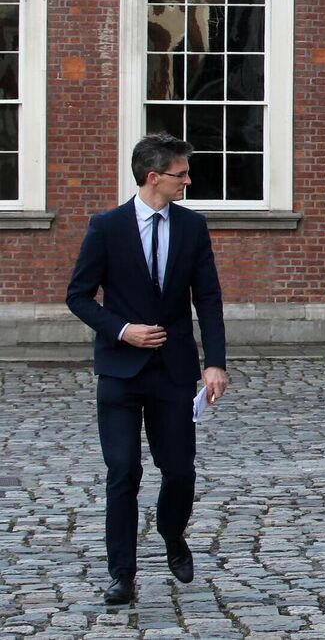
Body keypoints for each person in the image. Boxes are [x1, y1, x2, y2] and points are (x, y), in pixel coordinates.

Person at [65, 132, 228, 605]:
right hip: (119, 371)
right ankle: (122, 574)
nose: (188, 181)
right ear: (153, 177)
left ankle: (172, 534)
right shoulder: (107, 227)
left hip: (172, 370)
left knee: (179, 471)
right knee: (123, 471)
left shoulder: (192, 227)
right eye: (181, 174)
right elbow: (78, 296)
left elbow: (208, 298)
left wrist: (214, 363)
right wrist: (122, 330)